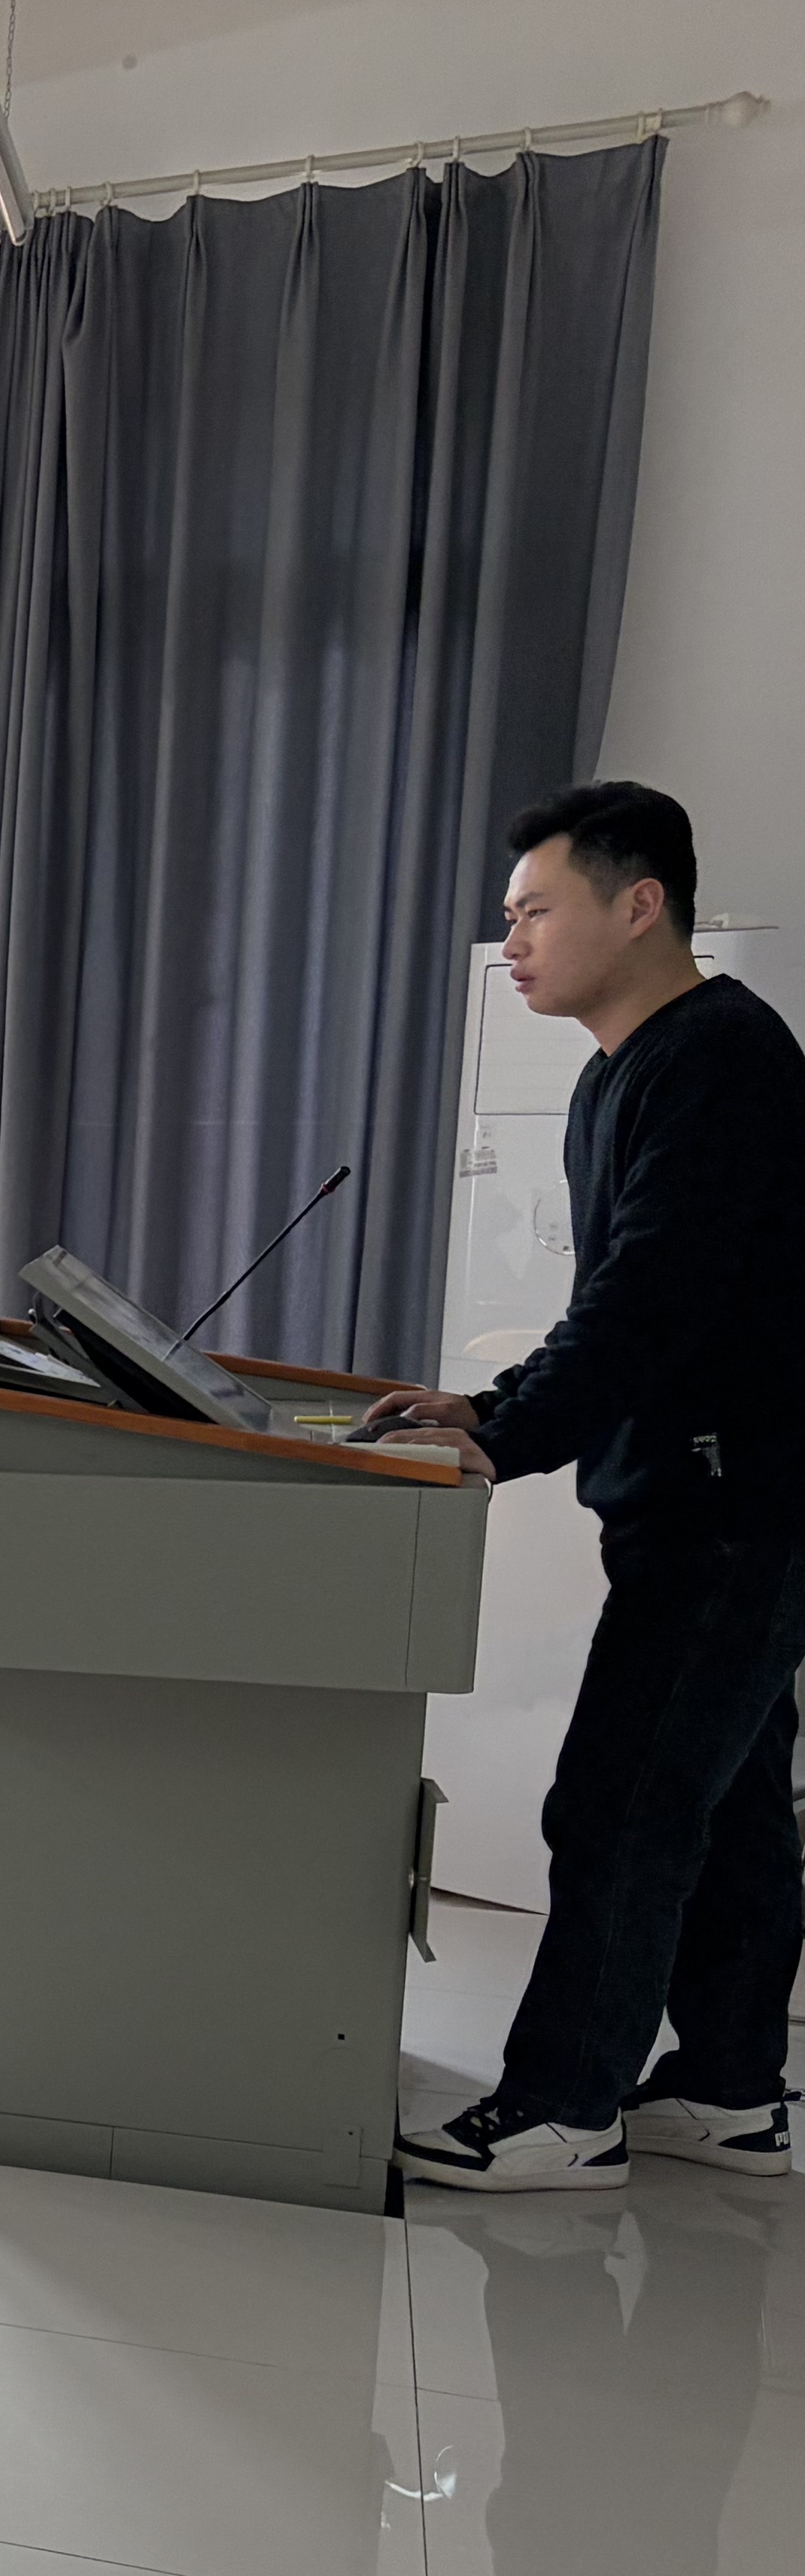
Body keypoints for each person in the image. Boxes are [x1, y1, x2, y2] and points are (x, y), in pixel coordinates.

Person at [361, 784, 805, 2191]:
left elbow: (653, 1296)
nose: (511, 942)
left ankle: (564, 2108)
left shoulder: (719, 1060)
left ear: (639, 903)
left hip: (732, 1504)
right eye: (508, 918)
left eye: (534, 911)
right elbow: (615, 1297)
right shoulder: (627, 1068)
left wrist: (508, 1436)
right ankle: (730, 2090)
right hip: (700, 1495)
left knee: (621, 1798)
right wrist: (493, 1406)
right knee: (727, 1801)